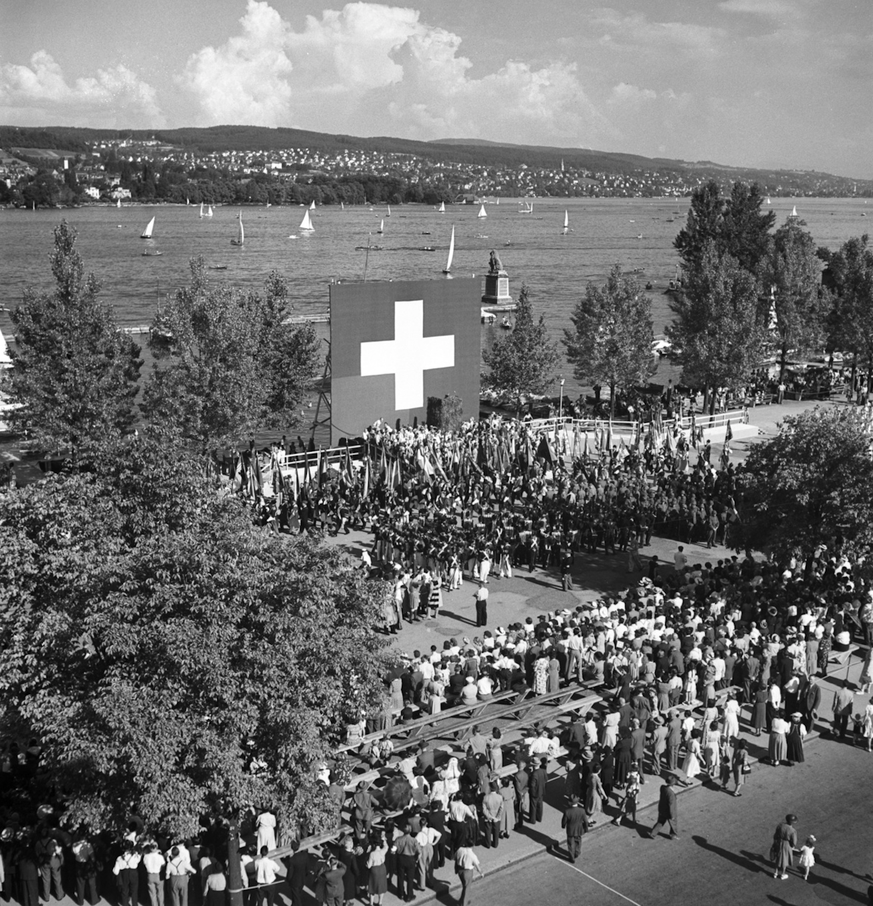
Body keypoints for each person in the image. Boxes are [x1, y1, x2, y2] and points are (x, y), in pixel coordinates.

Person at [649, 775, 679, 839]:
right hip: (668, 811)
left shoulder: (662, 787)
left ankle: (653, 833)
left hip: (662, 808)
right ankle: (673, 835)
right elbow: (671, 805)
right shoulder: (671, 794)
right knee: (673, 823)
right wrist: (672, 815)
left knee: (660, 821)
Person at [560, 795, 589, 862]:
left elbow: (564, 820)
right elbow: (586, 821)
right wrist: (586, 828)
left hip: (570, 830)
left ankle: (571, 857)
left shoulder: (567, 811)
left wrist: (563, 826)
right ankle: (577, 852)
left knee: (570, 843)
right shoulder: (582, 810)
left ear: (570, 803)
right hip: (579, 829)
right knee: (578, 841)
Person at [771, 814, 798, 880]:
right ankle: (783, 874)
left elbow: (775, 835)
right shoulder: (792, 830)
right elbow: (794, 842)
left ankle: (775, 873)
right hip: (786, 845)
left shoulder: (780, 826)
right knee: (784, 860)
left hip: (778, 843)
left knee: (778, 858)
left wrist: (775, 843)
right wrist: (792, 846)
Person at [113, 841, 141, 906]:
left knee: (124, 892)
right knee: (134, 891)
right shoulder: (135, 856)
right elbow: (138, 860)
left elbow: (115, 871)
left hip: (124, 874)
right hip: (133, 873)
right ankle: (134, 904)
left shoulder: (119, 858)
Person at [366, 832, 389, 906]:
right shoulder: (383, 851)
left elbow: (369, 866)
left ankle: (371, 903)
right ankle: (380, 903)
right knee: (381, 887)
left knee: (372, 887)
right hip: (382, 869)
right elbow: (386, 846)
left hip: (374, 870)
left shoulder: (372, 854)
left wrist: (366, 864)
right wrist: (384, 840)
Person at [143, 842, 166, 906]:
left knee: (152, 893)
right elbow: (163, 864)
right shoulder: (160, 857)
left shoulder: (146, 856)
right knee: (160, 892)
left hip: (150, 875)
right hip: (158, 875)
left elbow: (145, 864)